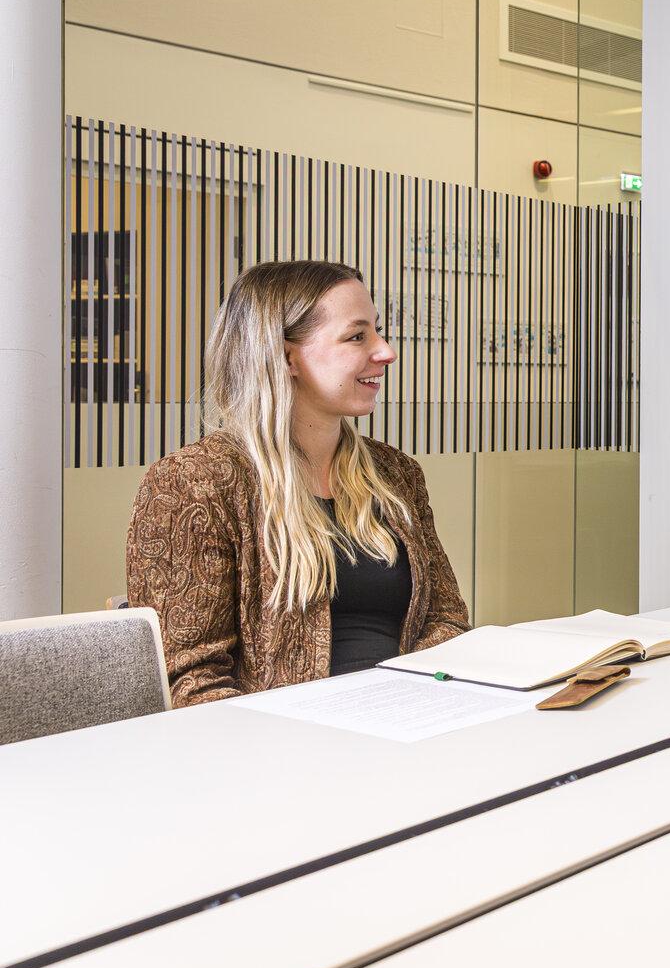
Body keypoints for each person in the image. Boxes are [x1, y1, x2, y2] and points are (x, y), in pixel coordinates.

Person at [127, 261, 469, 706]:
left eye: (378, 332)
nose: (385, 352)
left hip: (410, 720)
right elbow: (189, 679)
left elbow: (446, 619)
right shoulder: (193, 484)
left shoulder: (396, 474)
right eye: (357, 336)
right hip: (280, 748)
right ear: (287, 357)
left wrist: (408, 702)